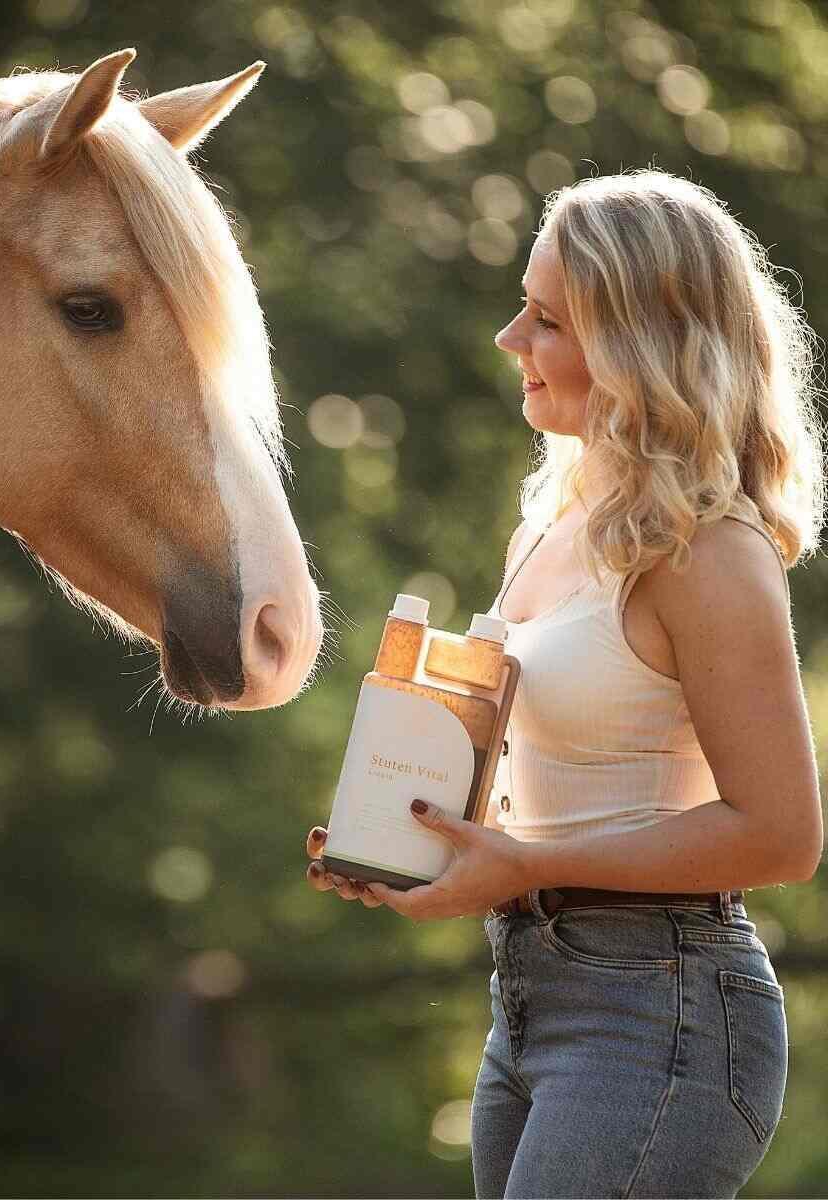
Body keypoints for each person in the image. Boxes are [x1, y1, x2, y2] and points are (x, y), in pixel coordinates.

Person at [305, 170, 824, 1199]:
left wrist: (522, 867)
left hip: (663, 1011)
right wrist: (409, 848)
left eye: (547, 320)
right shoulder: (551, 526)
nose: (510, 339)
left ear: (641, 346)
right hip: (530, 994)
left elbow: (783, 837)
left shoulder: (709, 550)